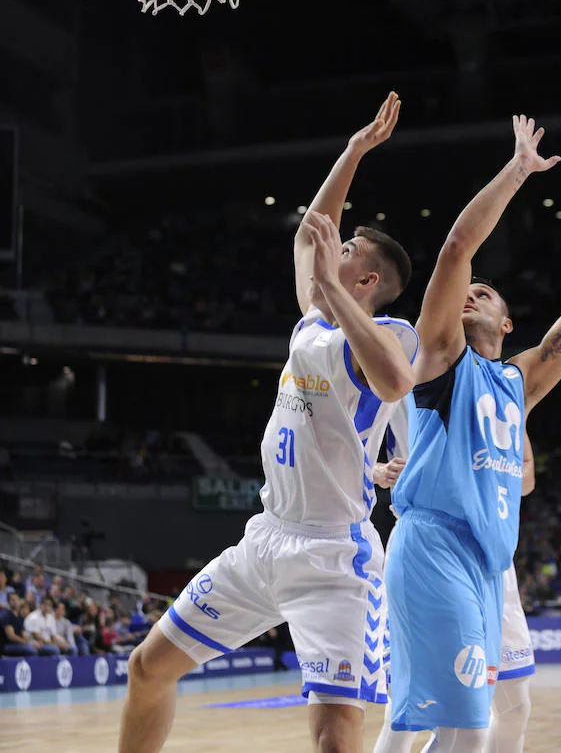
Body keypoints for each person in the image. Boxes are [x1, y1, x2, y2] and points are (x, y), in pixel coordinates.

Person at [118, 92, 419, 753]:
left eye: (345, 250)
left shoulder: (392, 332)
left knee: (336, 741)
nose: (329, 246)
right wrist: (354, 149)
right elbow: (311, 226)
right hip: (263, 543)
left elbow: (396, 381)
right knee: (146, 668)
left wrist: (333, 286)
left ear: (364, 278)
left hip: (333, 560)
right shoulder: (312, 324)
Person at [385, 117, 561, 752]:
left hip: (485, 560)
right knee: (471, 728)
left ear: (508, 325)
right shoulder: (443, 356)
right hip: (433, 546)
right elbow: (456, 249)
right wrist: (518, 169)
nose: (472, 294)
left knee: (453, 728)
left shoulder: (517, 381)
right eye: (467, 293)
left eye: (487, 294)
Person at [372, 430, 536, 753]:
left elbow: (527, 474)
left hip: (492, 547)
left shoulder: (503, 382)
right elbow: (342, 448)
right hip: (430, 542)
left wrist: (486, 478)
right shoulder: (406, 381)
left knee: (514, 708)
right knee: (420, 715)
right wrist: (378, 471)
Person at [0, 591, 39, 656]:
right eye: (12, 600)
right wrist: (26, 643)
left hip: (18, 644)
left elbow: (24, 634)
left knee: (38, 648)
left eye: (17, 599)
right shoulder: (6, 615)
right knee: (32, 651)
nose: (15, 602)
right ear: (8, 602)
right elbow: (11, 636)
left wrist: (31, 642)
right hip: (7, 645)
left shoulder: (19, 616)